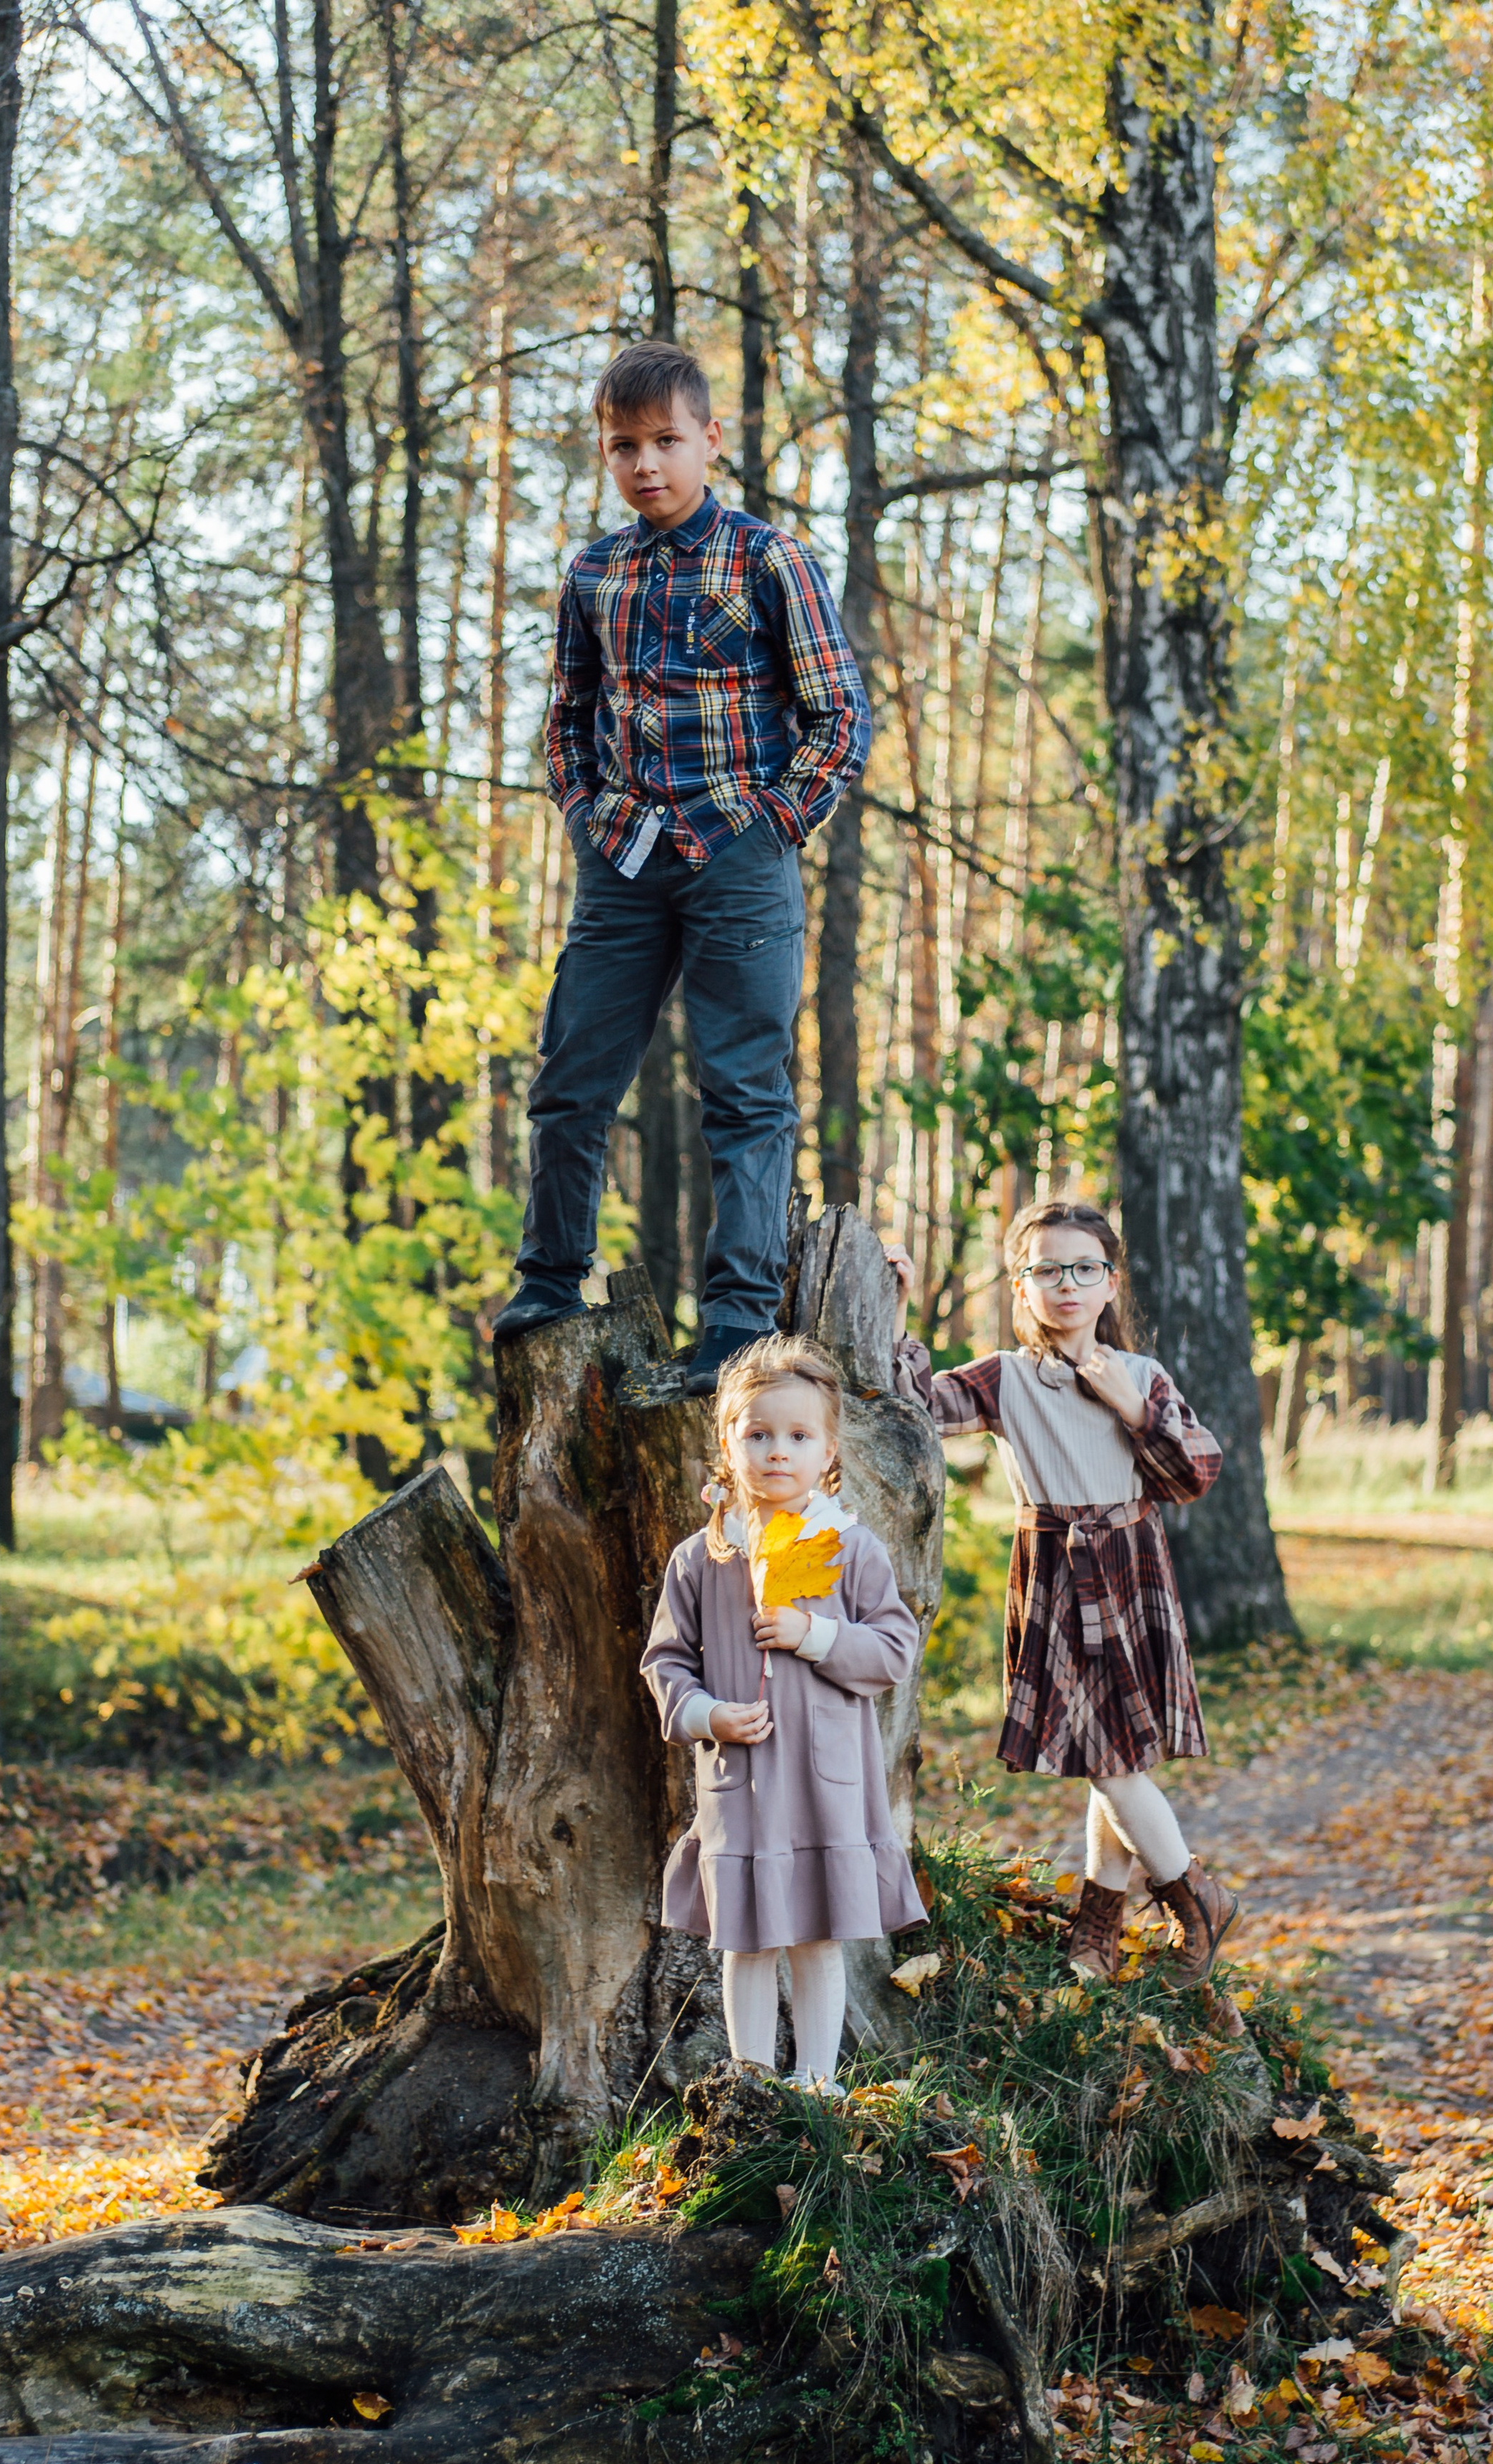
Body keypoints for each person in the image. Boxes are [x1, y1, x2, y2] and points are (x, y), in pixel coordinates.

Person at [496, 342, 871, 1392]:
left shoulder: (769, 561)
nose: (646, 464)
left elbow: (839, 716)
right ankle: (549, 1278)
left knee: (744, 1095)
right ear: (606, 455)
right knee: (571, 1078)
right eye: (625, 447)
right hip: (622, 861)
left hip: (737, 865)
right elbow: (566, 719)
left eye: (667, 441)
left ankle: (738, 1324)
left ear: (711, 439)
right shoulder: (594, 573)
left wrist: (768, 826)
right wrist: (584, 812)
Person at [886, 1200, 1237, 1989]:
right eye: (1046, 1268)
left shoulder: (1142, 1377)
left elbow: (1193, 1474)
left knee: (1110, 1759)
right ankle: (1105, 1923)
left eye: (1084, 1267)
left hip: (1128, 1568)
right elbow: (914, 1401)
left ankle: (1182, 1902)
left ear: (1110, 1283)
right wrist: (900, 1309)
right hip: (1053, 1572)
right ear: (1022, 1287)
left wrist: (1127, 1404)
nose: (1066, 1283)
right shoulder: (1004, 1377)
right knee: (1101, 1754)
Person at [642, 1333, 925, 2088]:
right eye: (757, 1433)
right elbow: (665, 1659)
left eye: (798, 1436)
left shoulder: (848, 1547)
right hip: (744, 1788)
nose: (777, 1451)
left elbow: (894, 1648)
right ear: (727, 1445)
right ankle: (753, 2083)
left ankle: (818, 2081)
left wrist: (816, 1633)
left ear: (828, 1450)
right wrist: (707, 1715)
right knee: (748, 1942)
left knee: (817, 1937)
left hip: (827, 1785)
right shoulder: (702, 1558)